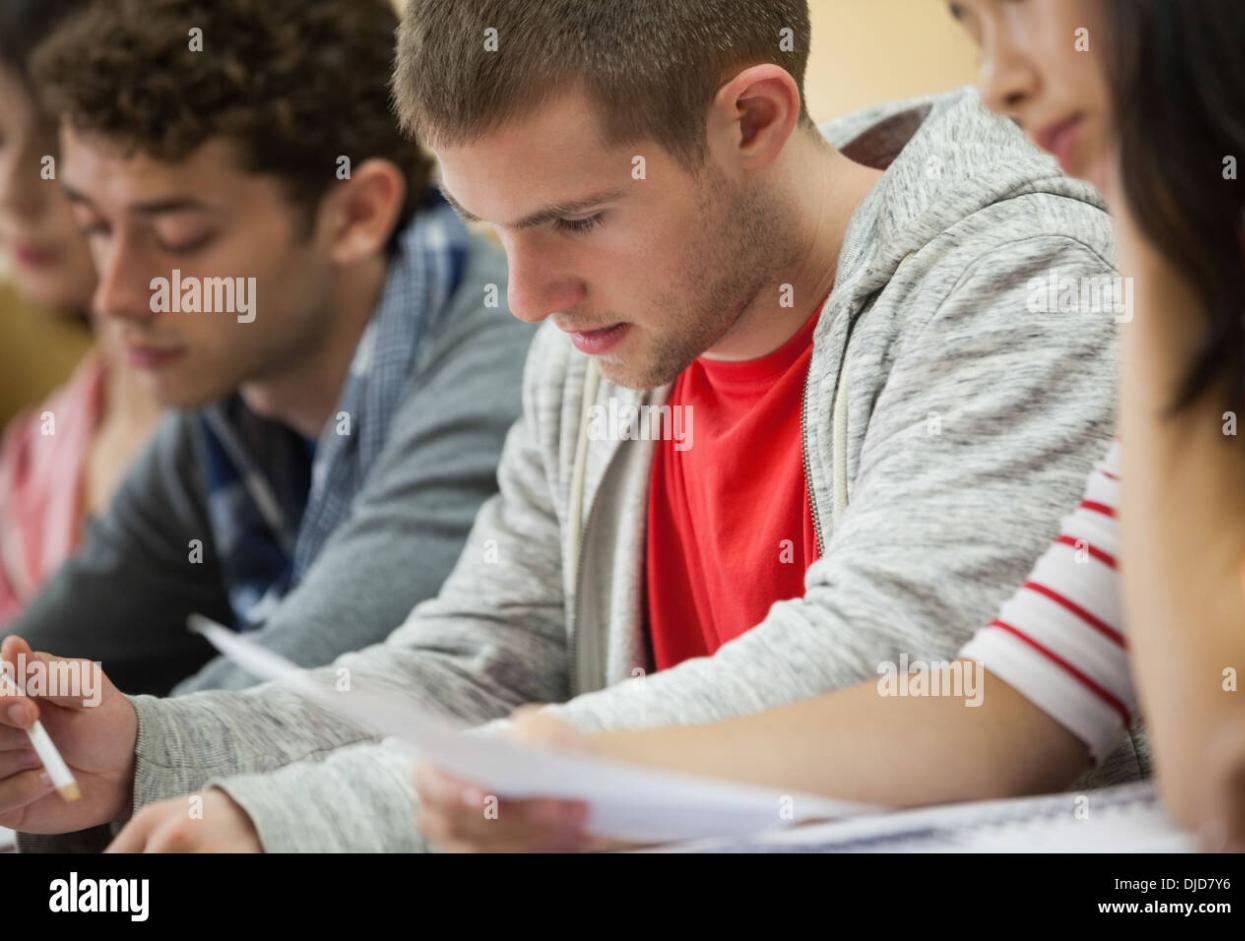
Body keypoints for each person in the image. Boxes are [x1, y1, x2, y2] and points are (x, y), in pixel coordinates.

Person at [2, 0, 1121, 853]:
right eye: (489, 229)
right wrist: (157, 748)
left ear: (751, 119)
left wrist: (294, 819)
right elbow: (486, 661)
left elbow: (883, 666)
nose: (528, 295)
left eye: (575, 219)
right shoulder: (600, 330)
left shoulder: (1015, 278)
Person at [0, 0, 532, 695]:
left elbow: (281, 707)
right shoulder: (235, 400)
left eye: (180, 239)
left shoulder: (498, 381)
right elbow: (43, 665)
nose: (117, 297)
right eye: (95, 227)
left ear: (356, 214)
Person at [0, 0, 161, 625]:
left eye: (57, 146)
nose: (13, 192)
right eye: (0, 139)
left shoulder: (256, 425)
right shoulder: (26, 462)